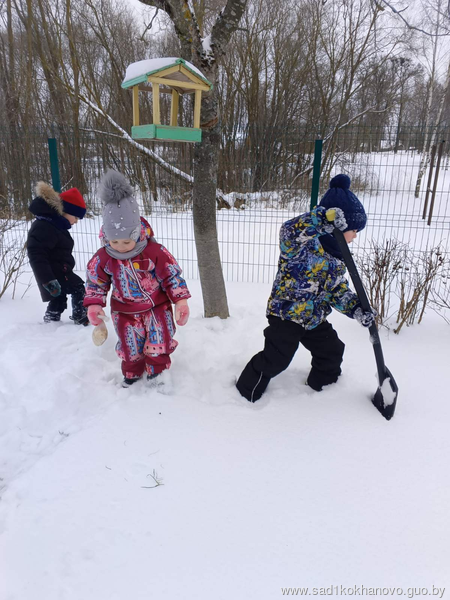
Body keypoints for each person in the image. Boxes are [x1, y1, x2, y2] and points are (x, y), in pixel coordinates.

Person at [236, 174, 376, 402]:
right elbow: (288, 230)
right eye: (354, 230)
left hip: (313, 318)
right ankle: (245, 393)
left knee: (332, 350)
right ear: (337, 227)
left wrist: (355, 308)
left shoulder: (337, 257)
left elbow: (337, 290)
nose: (355, 236)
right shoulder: (301, 246)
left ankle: (324, 388)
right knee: (276, 358)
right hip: (287, 315)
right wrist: (320, 219)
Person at [84, 169, 191, 388]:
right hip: (124, 311)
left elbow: (171, 275)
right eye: (114, 242)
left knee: (159, 341)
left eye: (126, 242)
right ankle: (132, 374)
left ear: (137, 233)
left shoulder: (153, 252)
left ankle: (158, 374)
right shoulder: (104, 257)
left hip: (156, 308)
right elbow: (96, 282)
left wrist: (180, 300)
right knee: (130, 346)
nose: (120, 247)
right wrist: (94, 305)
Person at [27, 182, 89, 325]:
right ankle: (81, 317)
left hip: (58, 271)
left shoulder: (54, 224)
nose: (76, 221)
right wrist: (48, 280)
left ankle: (52, 319)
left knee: (58, 296)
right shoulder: (45, 226)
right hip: (53, 273)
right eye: (76, 217)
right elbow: (37, 255)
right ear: (64, 211)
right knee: (78, 288)